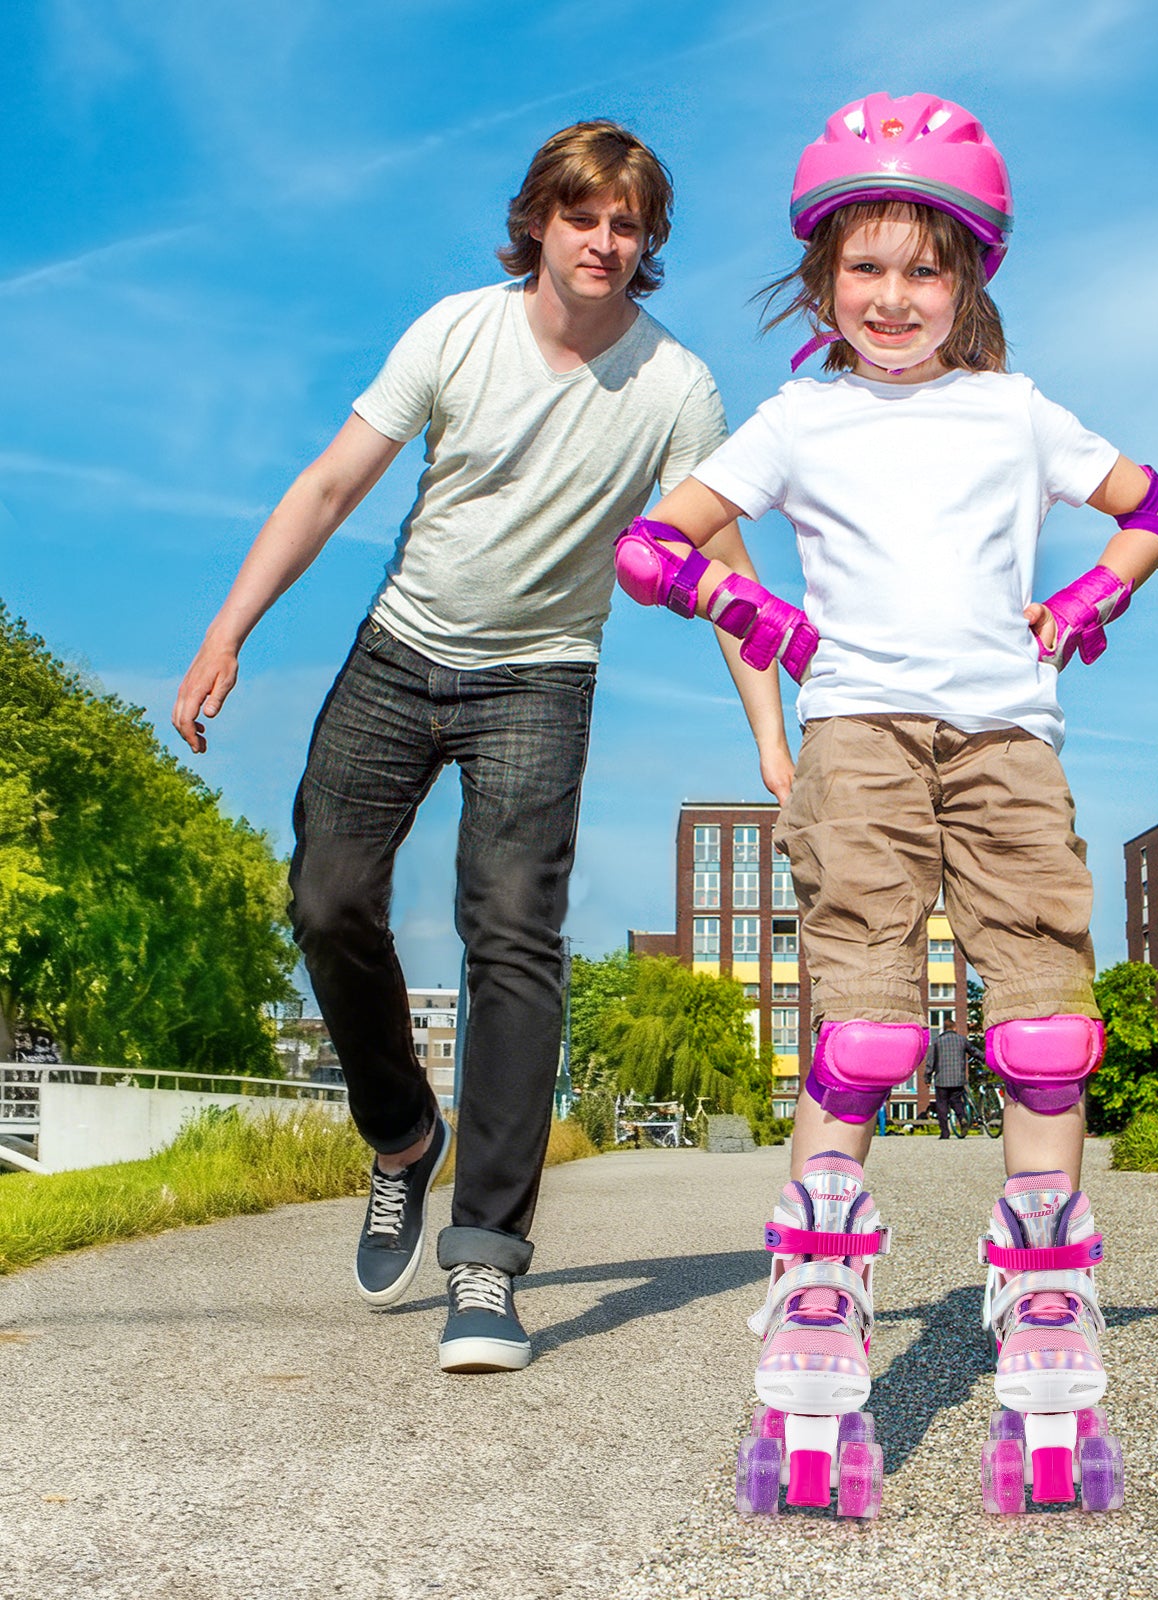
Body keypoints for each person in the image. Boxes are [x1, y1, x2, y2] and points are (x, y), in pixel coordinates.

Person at [611, 92, 1158, 1513]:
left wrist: (1089, 592)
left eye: (923, 268)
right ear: (822, 276)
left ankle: (1046, 1299)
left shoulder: (1018, 411)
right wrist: (767, 619)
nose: (892, 296)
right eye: (863, 267)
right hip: (859, 737)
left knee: (1047, 1026)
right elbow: (651, 549)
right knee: (869, 1029)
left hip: (1007, 736)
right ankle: (818, 1290)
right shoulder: (797, 419)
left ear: (969, 278)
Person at [172, 121, 783, 1374]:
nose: (603, 243)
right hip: (399, 652)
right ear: (541, 224)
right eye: (583, 218)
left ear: (646, 242)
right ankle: (402, 1135)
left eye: (627, 225)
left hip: (542, 679)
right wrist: (228, 631)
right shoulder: (455, 331)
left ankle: (487, 1265)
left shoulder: (677, 389)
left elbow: (723, 568)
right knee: (327, 897)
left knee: (512, 937)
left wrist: (774, 740)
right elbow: (331, 486)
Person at [924, 1027, 974, 1138]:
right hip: (958, 1079)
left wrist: (927, 1077)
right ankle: (962, 1118)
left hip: (941, 1080)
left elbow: (930, 1061)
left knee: (942, 1106)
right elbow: (974, 1051)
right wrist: (985, 1058)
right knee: (956, 1101)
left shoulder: (937, 1041)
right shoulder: (962, 1040)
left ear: (944, 1029)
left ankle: (945, 1133)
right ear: (955, 1028)